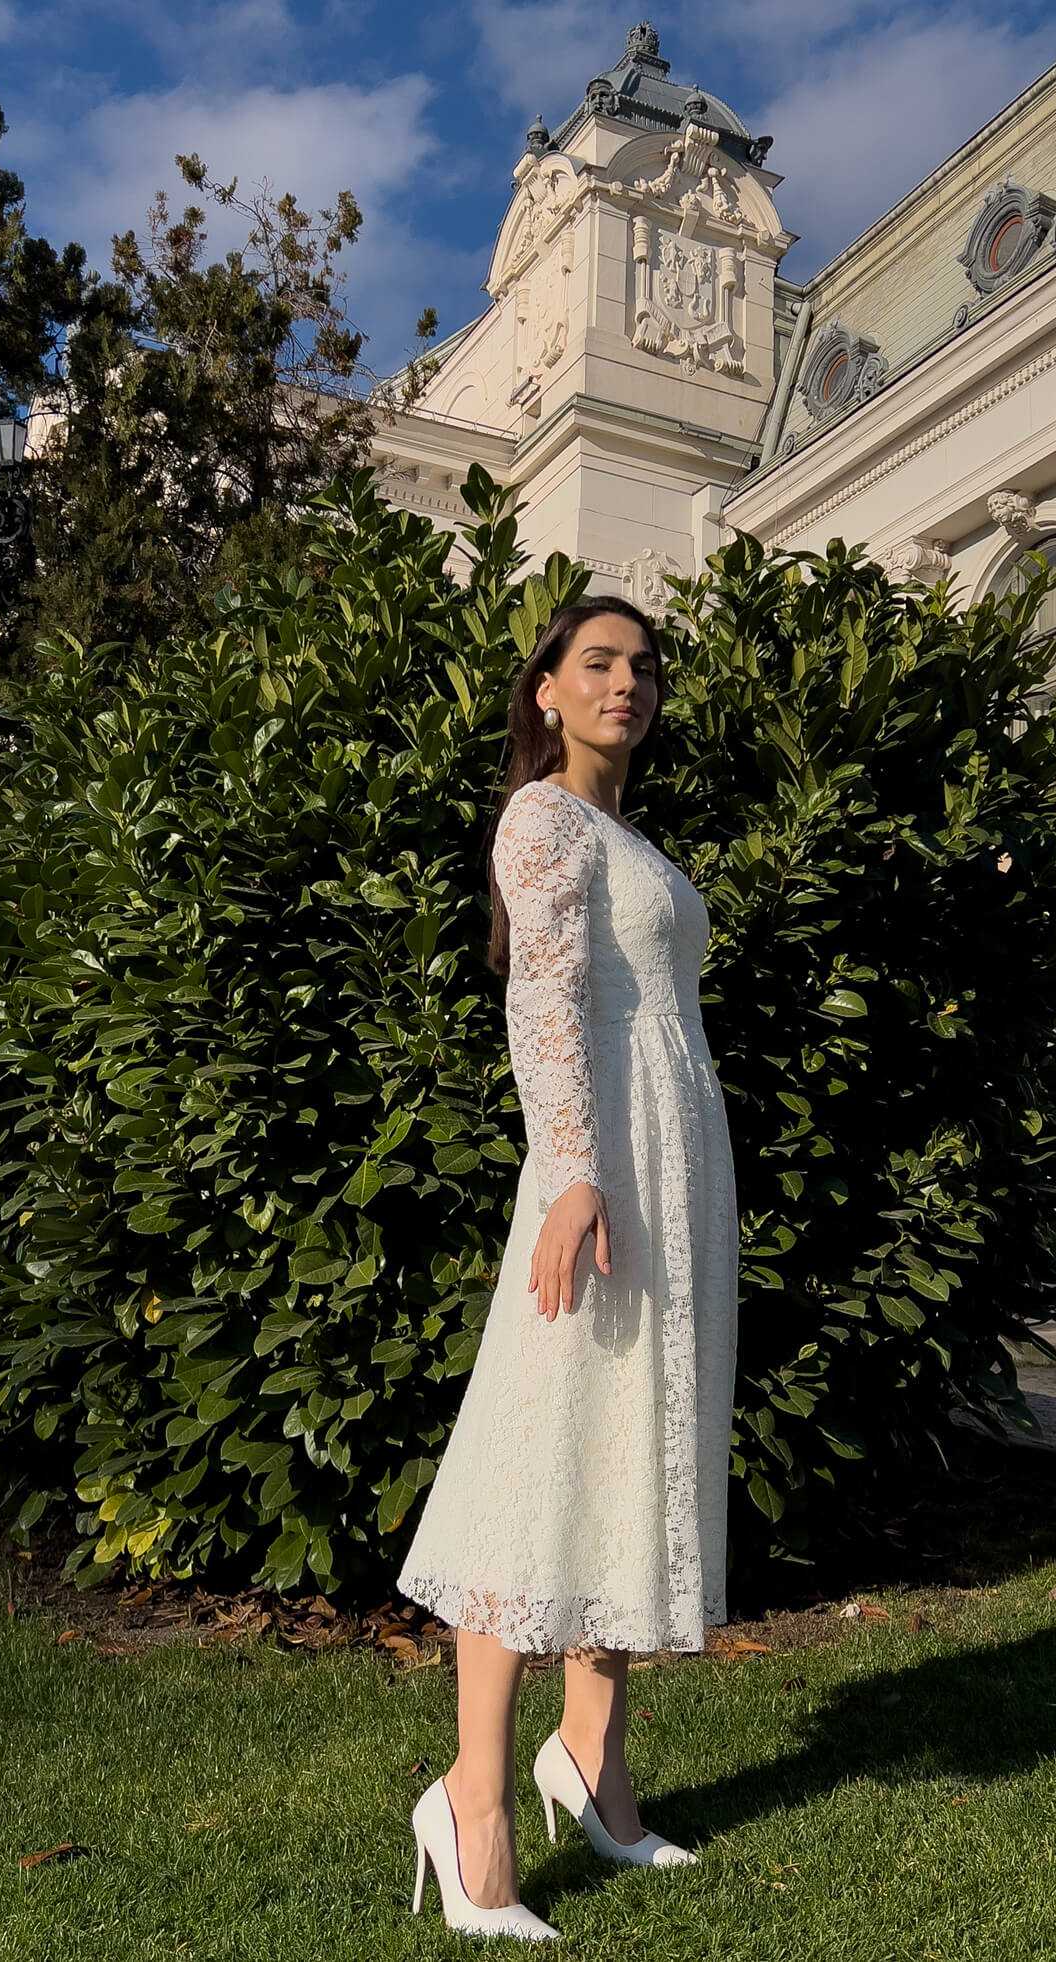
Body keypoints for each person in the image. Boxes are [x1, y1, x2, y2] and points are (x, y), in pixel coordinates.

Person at [395, 593, 741, 1941]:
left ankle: (593, 1760)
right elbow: (538, 992)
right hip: (599, 1163)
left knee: (628, 1435)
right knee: (537, 1441)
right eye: (596, 661)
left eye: (644, 666)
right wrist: (577, 1167)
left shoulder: (626, 833)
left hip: (675, 1157)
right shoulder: (540, 816)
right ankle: (472, 1796)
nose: (627, 682)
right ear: (543, 687)